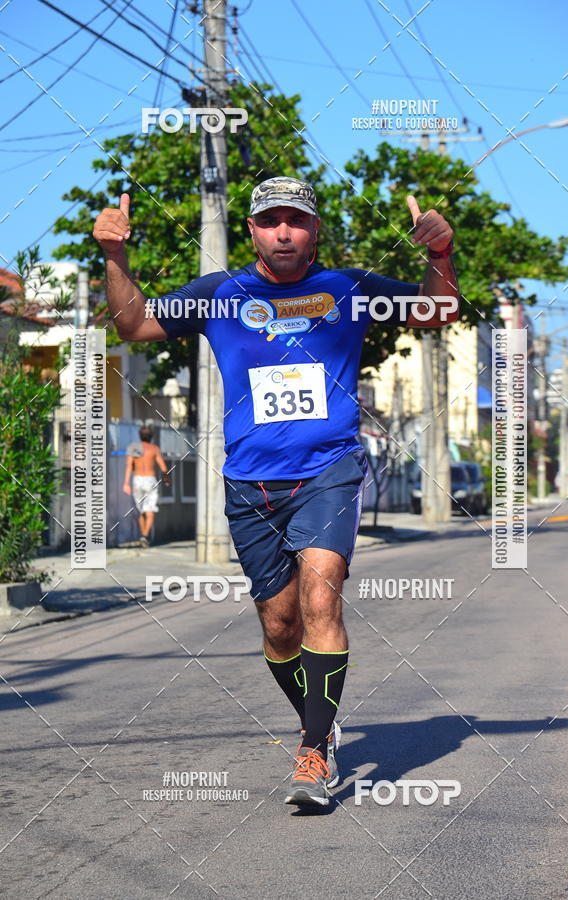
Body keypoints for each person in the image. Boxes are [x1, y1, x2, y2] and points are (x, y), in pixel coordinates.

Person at [94, 176, 459, 807]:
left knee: (322, 599)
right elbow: (134, 327)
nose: (283, 231)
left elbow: (440, 310)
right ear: (253, 231)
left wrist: (439, 257)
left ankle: (314, 753)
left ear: (315, 229)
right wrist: (115, 256)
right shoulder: (219, 295)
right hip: (250, 482)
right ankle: (320, 718)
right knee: (281, 626)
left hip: (330, 471)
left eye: (296, 220)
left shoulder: (351, 288)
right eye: (270, 221)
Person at [123, 425, 171, 547]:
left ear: (140, 436)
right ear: (151, 436)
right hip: (150, 480)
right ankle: (145, 536)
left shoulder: (134, 448)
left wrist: (126, 483)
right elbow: (164, 468)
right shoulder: (154, 449)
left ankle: (142, 536)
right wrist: (166, 479)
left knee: (141, 510)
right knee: (150, 510)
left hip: (137, 480)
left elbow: (129, 466)